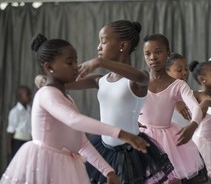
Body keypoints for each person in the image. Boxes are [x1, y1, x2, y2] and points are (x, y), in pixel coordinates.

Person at [0, 33, 150, 184]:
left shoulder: (67, 98)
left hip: (64, 168)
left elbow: (82, 143)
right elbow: (74, 120)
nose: (76, 67)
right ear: (49, 67)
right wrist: (122, 134)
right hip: (44, 166)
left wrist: (108, 171)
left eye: (76, 62)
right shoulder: (46, 94)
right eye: (69, 63)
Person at [69, 20, 174, 184]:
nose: (98, 47)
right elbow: (63, 83)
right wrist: (44, 78)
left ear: (123, 45)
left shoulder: (138, 79)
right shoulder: (99, 81)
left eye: (103, 41)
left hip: (130, 154)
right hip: (104, 148)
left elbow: (140, 76)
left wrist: (99, 62)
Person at [138, 34, 211, 184]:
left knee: (172, 181)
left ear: (168, 53)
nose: (152, 57)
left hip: (168, 142)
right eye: (148, 53)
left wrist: (193, 125)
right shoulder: (138, 80)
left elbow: (195, 108)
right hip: (141, 138)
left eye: (158, 52)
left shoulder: (178, 85)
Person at [7, 85, 32, 160]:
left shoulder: (30, 110)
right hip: (18, 141)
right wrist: (9, 149)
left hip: (28, 140)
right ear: (20, 96)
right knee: (17, 161)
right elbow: (10, 131)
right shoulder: (15, 112)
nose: (30, 96)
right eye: (27, 94)